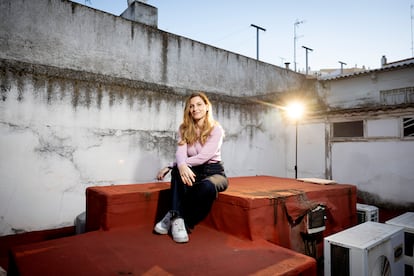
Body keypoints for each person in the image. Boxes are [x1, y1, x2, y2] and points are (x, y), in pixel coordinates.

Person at [154, 92, 228, 243]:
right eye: (191, 106)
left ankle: (178, 217)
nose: (195, 109)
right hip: (194, 170)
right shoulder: (184, 129)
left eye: (199, 105)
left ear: (207, 107)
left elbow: (203, 157)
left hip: (214, 172)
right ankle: (177, 219)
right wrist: (176, 165)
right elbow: (181, 154)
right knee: (178, 170)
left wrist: (175, 165)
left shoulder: (216, 129)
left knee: (208, 186)